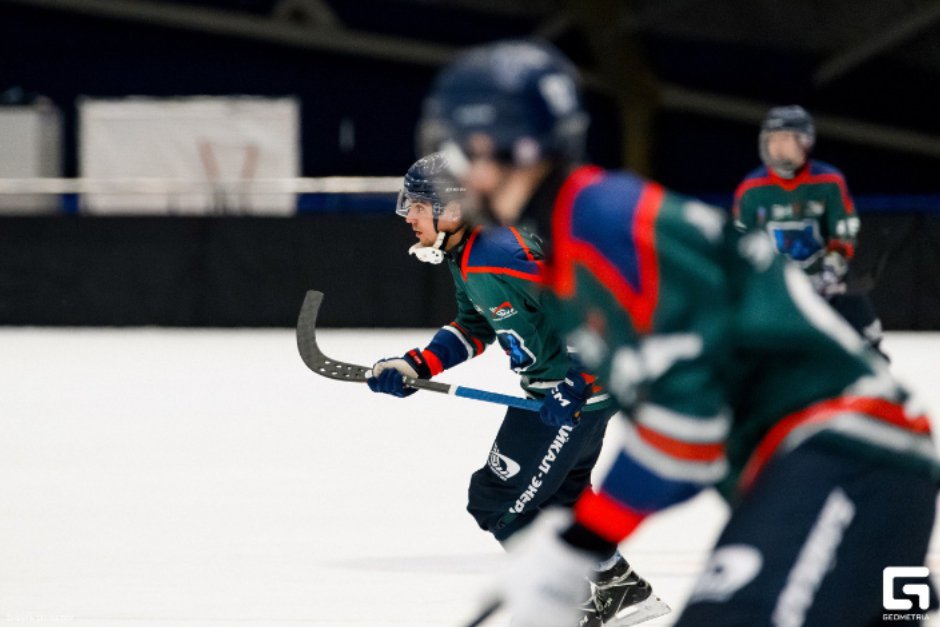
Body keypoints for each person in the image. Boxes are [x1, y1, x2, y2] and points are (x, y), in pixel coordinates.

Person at [417, 39, 939, 627]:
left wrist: (574, 549)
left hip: (846, 453)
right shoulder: (575, 238)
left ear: (515, 146)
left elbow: (685, 430)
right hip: (831, 465)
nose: (458, 170)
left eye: (464, 148)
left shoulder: (601, 225)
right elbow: (685, 437)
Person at [366, 152, 670, 626]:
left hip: (573, 395)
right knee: (565, 497)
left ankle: (564, 608)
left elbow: (597, 306)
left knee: (495, 499)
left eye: (418, 205)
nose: (409, 216)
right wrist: (418, 363)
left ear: (451, 208)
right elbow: (473, 326)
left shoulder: (502, 254)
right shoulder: (465, 255)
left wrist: (578, 382)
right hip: (563, 394)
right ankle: (620, 588)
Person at [734, 105, 887, 356]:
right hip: (776, 289)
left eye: (784, 139)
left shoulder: (829, 181)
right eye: (771, 140)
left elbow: (844, 230)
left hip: (827, 283)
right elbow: (740, 244)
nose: (777, 147)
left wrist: (832, 268)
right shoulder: (751, 189)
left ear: (804, 141)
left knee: (868, 340)